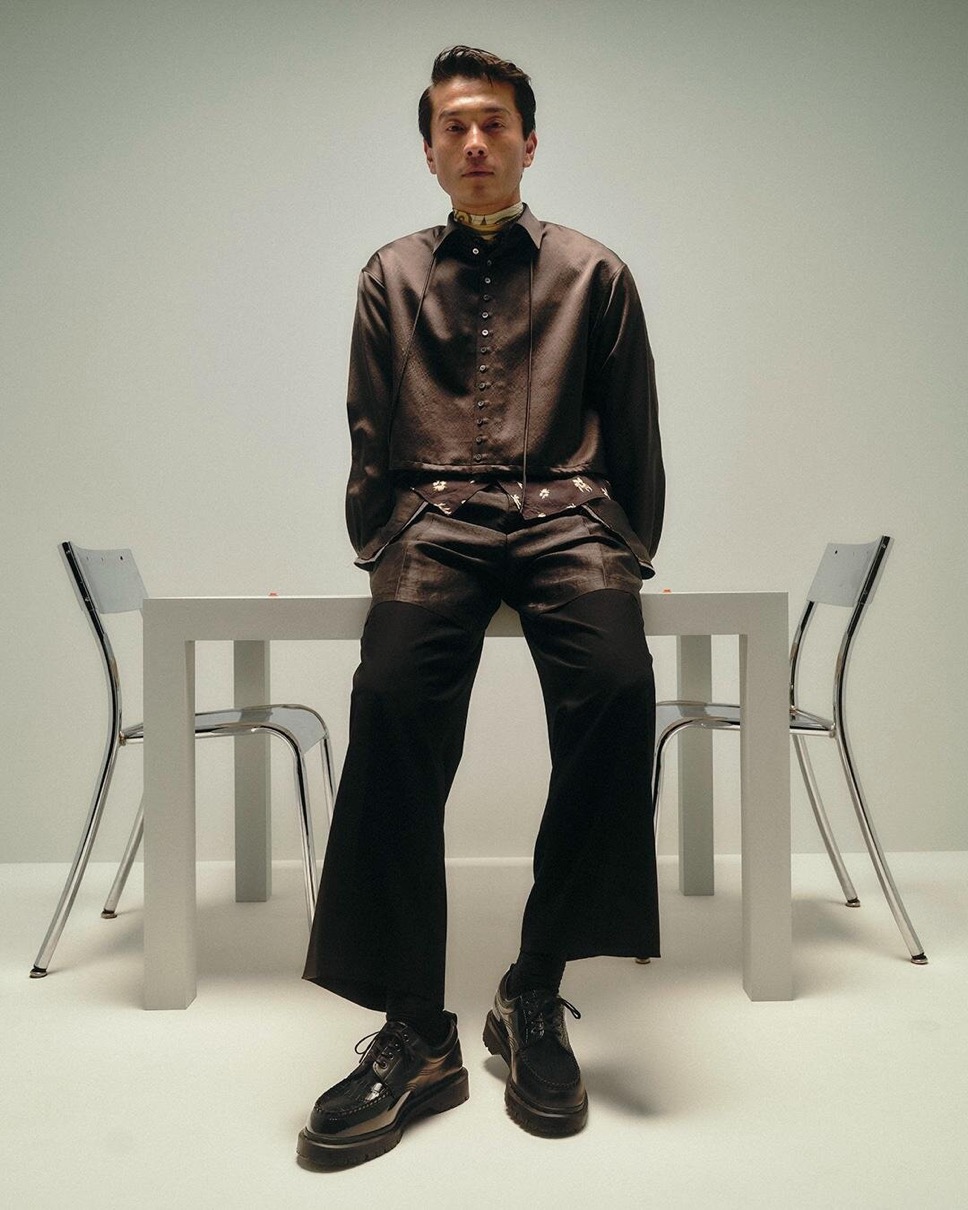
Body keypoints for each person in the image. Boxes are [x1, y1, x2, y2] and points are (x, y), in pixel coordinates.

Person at [297, 45, 664, 1168]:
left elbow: (635, 429)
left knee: (618, 687)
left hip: (570, 516)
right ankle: (416, 1028)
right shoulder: (390, 273)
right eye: (453, 125)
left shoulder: (595, 272)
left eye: (494, 123)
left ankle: (533, 988)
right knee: (389, 699)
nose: (473, 141)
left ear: (527, 142)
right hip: (432, 519)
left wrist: (624, 540)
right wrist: (384, 539)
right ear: (428, 150)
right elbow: (368, 426)